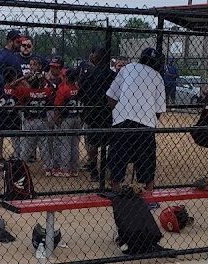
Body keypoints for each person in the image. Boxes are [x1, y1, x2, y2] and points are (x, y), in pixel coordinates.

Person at [106, 47, 166, 194]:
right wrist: (149, 120)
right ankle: (149, 191)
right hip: (145, 122)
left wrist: (118, 113)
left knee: (118, 155)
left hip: (123, 119)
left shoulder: (128, 68)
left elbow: (111, 96)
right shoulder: (157, 76)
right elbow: (159, 110)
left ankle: (116, 190)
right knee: (147, 158)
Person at [78, 47, 116, 182]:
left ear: (97, 58)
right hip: (109, 112)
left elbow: (81, 93)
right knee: (110, 142)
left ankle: (94, 169)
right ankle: (107, 168)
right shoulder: (112, 75)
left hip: (92, 112)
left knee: (92, 142)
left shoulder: (89, 74)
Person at [13, 57, 55, 174]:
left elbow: (12, 87)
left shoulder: (26, 91)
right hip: (42, 121)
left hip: (29, 122)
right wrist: (45, 79)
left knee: (26, 146)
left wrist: (23, 78)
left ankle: (21, 168)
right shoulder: (45, 92)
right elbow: (53, 88)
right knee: (44, 146)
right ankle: (48, 168)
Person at [0, 29, 22, 168]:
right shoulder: (12, 57)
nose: (19, 44)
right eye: (18, 41)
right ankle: (17, 159)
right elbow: (19, 78)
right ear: (10, 41)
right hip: (10, 96)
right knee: (15, 129)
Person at [53, 68, 83, 177]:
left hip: (66, 119)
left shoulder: (63, 89)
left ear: (67, 77)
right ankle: (74, 169)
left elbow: (58, 106)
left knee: (65, 144)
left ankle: (65, 169)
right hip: (77, 117)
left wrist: (56, 119)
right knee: (75, 145)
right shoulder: (79, 88)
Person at [0, 67, 24, 167]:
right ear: (15, 77)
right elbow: (20, 103)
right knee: (16, 140)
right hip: (13, 118)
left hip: (1, 118)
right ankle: (17, 159)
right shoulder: (17, 90)